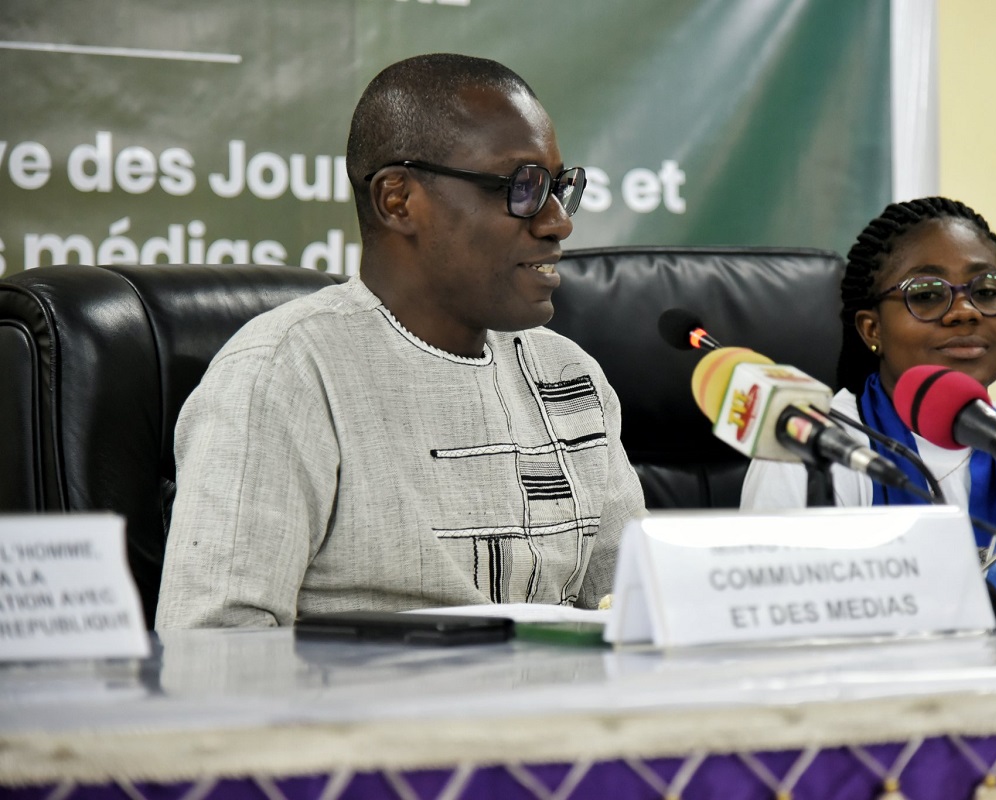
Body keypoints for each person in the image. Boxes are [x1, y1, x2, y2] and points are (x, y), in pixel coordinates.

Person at [155, 54, 646, 628]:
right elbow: (214, 651)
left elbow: (637, 609)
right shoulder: (284, 374)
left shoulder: (568, 375)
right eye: (523, 187)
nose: (557, 221)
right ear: (398, 200)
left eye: (559, 187)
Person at [740, 196, 996, 590]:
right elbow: (783, 625)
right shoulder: (814, 448)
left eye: (987, 289)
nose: (965, 311)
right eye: (927, 294)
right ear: (871, 329)